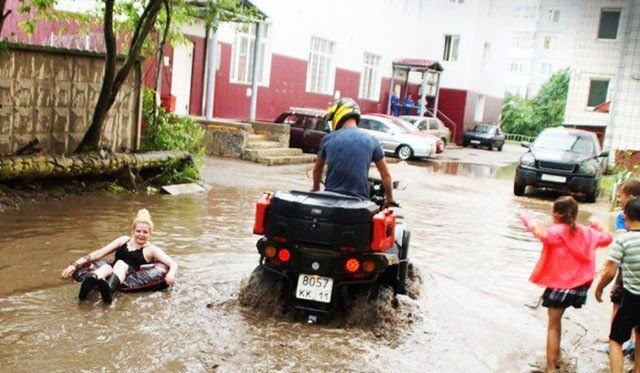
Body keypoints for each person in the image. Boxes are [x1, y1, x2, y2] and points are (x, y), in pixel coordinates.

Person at [519, 196, 613, 372]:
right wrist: (599, 224)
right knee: (558, 321)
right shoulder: (589, 233)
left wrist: (525, 216)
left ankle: (551, 367)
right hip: (580, 289)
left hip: (558, 288)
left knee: (552, 326)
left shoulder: (554, 232)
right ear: (575, 214)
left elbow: (538, 230)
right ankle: (558, 356)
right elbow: (607, 238)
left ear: (556, 214)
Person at [61, 209, 178, 304]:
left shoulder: (152, 249)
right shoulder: (123, 240)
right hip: (112, 270)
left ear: (150, 233)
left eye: (145, 232)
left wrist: (171, 274)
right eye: (138, 231)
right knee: (106, 267)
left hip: (129, 273)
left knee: (120, 264)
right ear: (133, 231)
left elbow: (172, 263)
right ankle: (87, 288)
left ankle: (108, 291)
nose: (141, 235)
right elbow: (99, 253)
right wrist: (74, 265)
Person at [311, 97, 396, 207]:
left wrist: (315, 188)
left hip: (330, 200)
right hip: (359, 204)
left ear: (339, 114)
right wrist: (389, 198)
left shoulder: (328, 139)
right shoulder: (372, 140)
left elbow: (317, 171)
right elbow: (386, 174)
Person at [595, 197, 640, 373]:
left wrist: (599, 288)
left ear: (625, 215)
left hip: (632, 299)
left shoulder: (622, 241)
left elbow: (611, 272)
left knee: (615, 340)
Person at [609, 179, 640, 356]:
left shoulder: (623, 216)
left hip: (626, 266)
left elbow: (620, 239)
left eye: (621, 196)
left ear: (630, 197)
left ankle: (619, 341)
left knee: (619, 302)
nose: (620, 200)